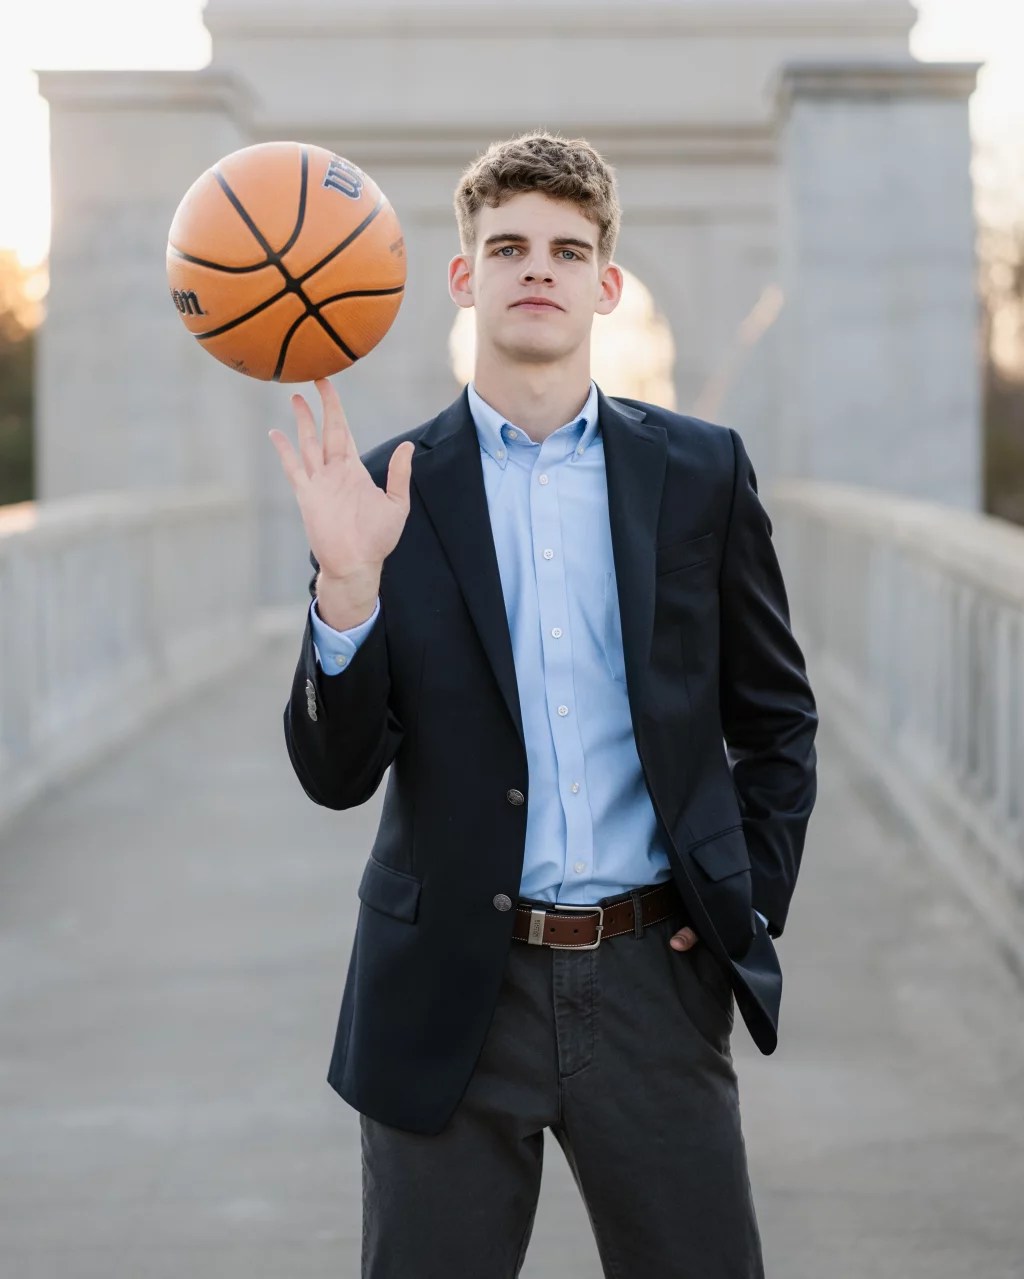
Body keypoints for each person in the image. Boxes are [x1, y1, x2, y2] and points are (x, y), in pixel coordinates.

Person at [269, 130, 817, 1278]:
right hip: (447, 996)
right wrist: (346, 586)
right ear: (463, 276)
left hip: (650, 979)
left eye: (567, 250)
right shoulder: (382, 489)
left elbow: (773, 718)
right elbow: (334, 776)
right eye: (507, 245)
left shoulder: (701, 472)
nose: (538, 268)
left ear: (605, 285)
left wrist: (739, 901)